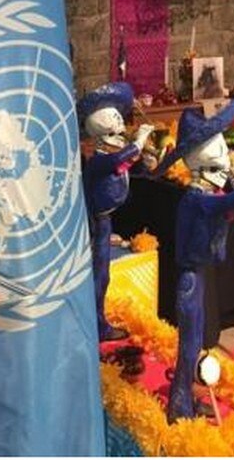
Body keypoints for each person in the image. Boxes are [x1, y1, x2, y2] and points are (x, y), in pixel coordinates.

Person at [154, 100, 234, 422]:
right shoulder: (196, 199)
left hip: (198, 274)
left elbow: (229, 206)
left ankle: (186, 395)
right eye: (214, 147)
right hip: (189, 279)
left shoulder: (208, 195)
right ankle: (179, 404)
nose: (223, 153)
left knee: (196, 341)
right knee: (189, 344)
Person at [77, 82, 153, 341]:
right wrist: (139, 141)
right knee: (99, 274)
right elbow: (117, 162)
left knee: (103, 273)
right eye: (112, 115)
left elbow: (128, 165)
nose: (119, 119)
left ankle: (97, 321)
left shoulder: (113, 151)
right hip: (97, 222)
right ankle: (97, 325)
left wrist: (146, 161)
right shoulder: (99, 159)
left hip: (106, 221)